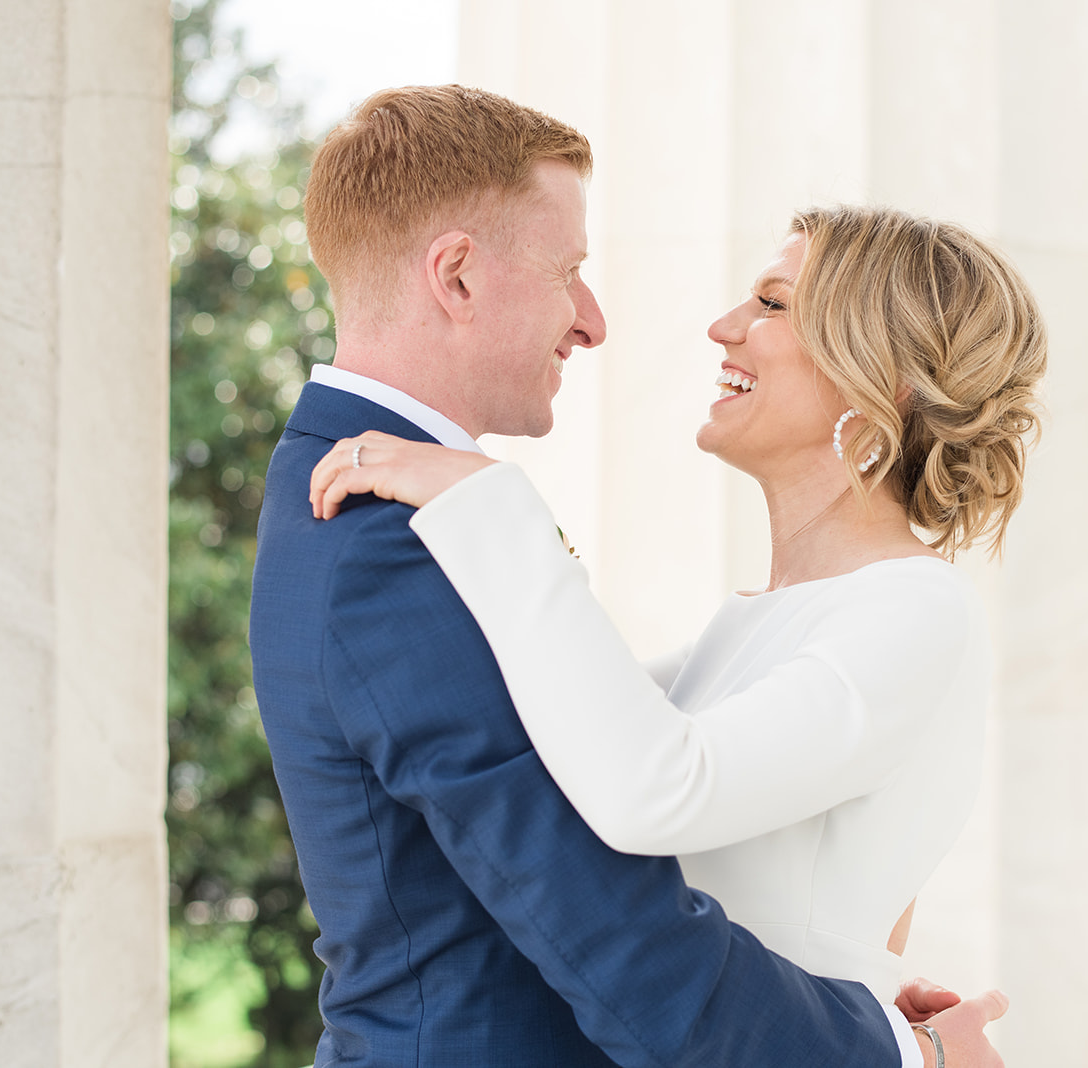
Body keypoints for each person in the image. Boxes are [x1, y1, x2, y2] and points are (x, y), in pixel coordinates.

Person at [250, 84, 1007, 1068]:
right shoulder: (389, 533)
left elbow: (645, 808)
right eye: (571, 271)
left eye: (772, 304)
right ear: (459, 277)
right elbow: (619, 864)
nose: (600, 321)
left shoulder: (912, 611)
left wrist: (870, 1003)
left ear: (876, 378)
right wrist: (892, 1039)